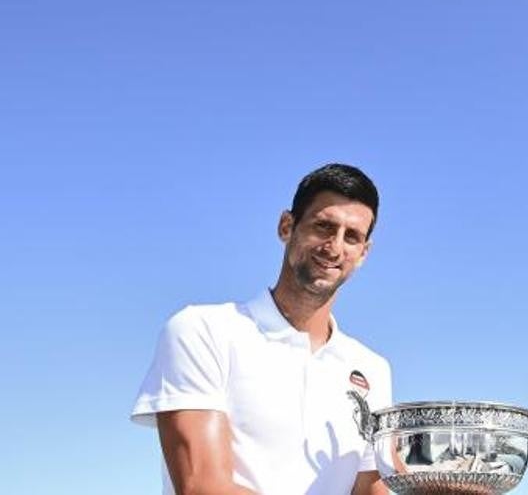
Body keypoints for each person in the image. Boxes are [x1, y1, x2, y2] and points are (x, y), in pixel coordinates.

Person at [132, 163, 393, 494]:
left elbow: (370, 490)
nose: (335, 247)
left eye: (351, 237)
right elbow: (203, 487)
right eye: (323, 226)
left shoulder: (373, 369)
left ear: (363, 254)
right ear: (287, 226)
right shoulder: (202, 330)